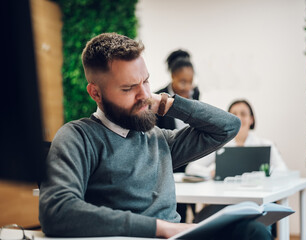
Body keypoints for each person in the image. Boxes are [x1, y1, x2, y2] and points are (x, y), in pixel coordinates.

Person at [38, 33, 272, 240]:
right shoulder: (78, 136)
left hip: (176, 234)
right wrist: (160, 228)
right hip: (138, 236)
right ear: (95, 93)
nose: (145, 95)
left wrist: (172, 104)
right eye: (128, 88)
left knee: (254, 232)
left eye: (146, 81)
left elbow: (228, 127)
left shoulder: (159, 139)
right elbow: (57, 210)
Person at [186, 99, 288, 179]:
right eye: (233, 115)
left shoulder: (266, 144)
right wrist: (211, 172)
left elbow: (283, 170)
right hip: (226, 199)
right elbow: (191, 168)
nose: (238, 118)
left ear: (251, 119)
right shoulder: (218, 145)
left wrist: (264, 172)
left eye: (243, 114)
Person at [155, 49, 200, 223]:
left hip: (192, 159)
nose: (188, 88)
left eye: (191, 82)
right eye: (182, 82)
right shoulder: (159, 98)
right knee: (178, 208)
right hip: (170, 161)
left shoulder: (195, 94)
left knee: (193, 206)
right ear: (172, 77)